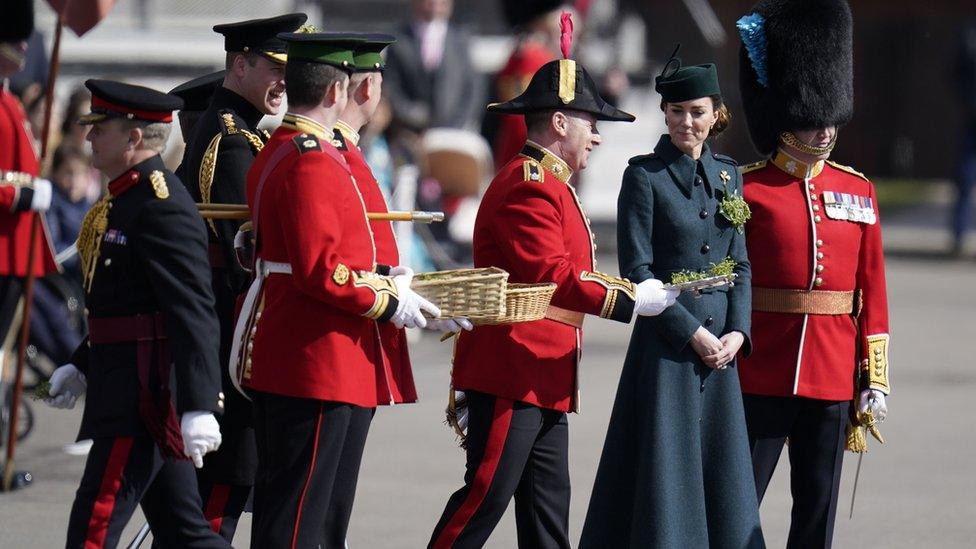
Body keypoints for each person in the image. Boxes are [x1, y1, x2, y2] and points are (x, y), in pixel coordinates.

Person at [428, 36, 678, 548]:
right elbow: (554, 274)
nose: (598, 138)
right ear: (560, 123)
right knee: (483, 500)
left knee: (547, 518)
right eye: (591, 124)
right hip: (512, 370)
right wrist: (630, 298)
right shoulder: (530, 183)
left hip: (543, 373)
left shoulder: (552, 184)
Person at [240, 32, 444, 548]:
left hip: (315, 354)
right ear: (337, 93)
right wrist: (389, 300)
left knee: (315, 514)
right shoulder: (310, 158)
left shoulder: (301, 151)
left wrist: (388, 280)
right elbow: (322, 269)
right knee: (299, 520)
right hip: (315, 359)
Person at [579, 48, 763, 548]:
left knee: (720, 472)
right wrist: (694, 333)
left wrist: (737, 332)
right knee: (666, 472)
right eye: (676, 111)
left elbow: (741, 264)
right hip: (667, 348)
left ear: (715, 114)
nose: (686, 122)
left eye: (697, 112)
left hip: (721, 353)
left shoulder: (729, 175)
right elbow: (638, 270)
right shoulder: (645, 176)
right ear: (664, 113)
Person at [44, 79, 227, 548]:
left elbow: (192, 311)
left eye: (99, 128)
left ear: (133, 138)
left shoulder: (159, 205)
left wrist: (200, 403)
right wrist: (81, 364)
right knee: (185, 532)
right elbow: (124, 304)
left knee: (93, 528)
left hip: (140, 400)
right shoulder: (126, 199)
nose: (88, 138)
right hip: (128, 388)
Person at [735, 1, 890, 547]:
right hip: (759, 371)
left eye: (830, 118)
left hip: (830, 376)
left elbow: (872, 292)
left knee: (816, 518)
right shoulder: (748, 188)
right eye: (812, 117)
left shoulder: (857, 189)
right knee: (736, 509)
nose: (825, 130)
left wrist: (873, 374)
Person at [176, 13, 306, 543]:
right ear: (240, 64)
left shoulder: (244, 133)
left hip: (228, 330)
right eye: (274, 68)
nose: (284, 82)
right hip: (230, 335)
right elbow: (244, 257)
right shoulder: (232, 142)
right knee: (224, 487)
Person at [0, 0, 57, 491]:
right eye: (14, 40)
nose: (24, 47)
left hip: (14, 254)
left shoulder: (9, 101)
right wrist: (21, 194)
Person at [384, 0, 483, 133]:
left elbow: (473, 88)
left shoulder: (461, 39)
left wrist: (456, 124)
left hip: (456, 131)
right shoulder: (399, 40)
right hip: (410, 134)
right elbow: (392, 87)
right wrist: (413, 116)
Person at [951, 19, 976, 256]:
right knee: (965, 179)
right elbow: (954, 73)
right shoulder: (969, 35)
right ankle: (958, 238)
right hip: (972, 120)